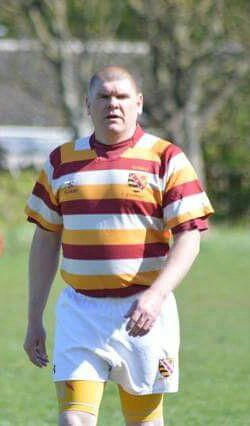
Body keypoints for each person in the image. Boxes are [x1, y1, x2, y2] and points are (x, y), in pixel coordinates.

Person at [24, 66, 214, 426]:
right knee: (73, 421)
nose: (114, 104)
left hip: (144, 314)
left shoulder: (166, 157)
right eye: (104, 96)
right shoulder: (61, 161)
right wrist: (34, 318)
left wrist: (157, 295)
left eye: (122, 96)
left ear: (138, 103)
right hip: (80, 311)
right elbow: (45, 239)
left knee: (143, 422)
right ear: (87, 104)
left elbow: (190, 235)